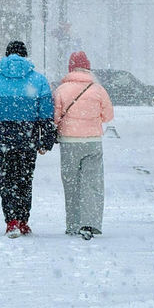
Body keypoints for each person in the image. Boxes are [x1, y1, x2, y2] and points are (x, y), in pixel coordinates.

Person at [0, 41, 54, 238]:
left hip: (3, 135)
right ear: (25, 57)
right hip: (27, 135)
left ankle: (11, 220)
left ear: (6, 55)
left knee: (7, 178)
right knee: (25, 178)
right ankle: (23, 219)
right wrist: (45, 138)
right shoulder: (38, 80)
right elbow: (46, 112)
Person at [53, 51, 114, 240]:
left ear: (70, 68)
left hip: (69, 142)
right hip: (93, 142)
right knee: (92, 183)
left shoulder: (61, 90)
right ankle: (90, 223)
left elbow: (55, 118)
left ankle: (72, 223)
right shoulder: (98, 89)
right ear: (88, 68)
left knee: (71, 183)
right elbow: (108, 116)